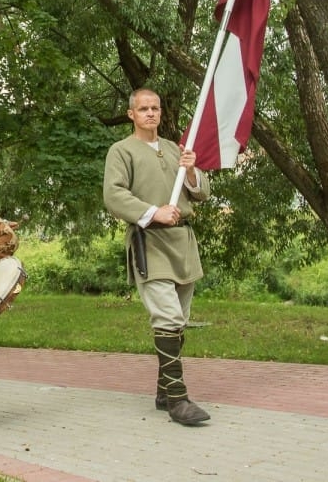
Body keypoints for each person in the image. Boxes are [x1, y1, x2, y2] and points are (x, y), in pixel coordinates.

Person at [103, 88, 212, 426]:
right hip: (149, 241)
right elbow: (114, 194)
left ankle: (164, 392)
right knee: (166, 316)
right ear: (131, 113)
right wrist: (153, 212)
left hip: (183, 242)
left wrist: (192, 172)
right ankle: (178, 400)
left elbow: (202, 193)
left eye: (155, 108)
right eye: (143, 108)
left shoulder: (174, 149)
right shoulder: (121, 151)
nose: (150, 113)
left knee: (179, 319)